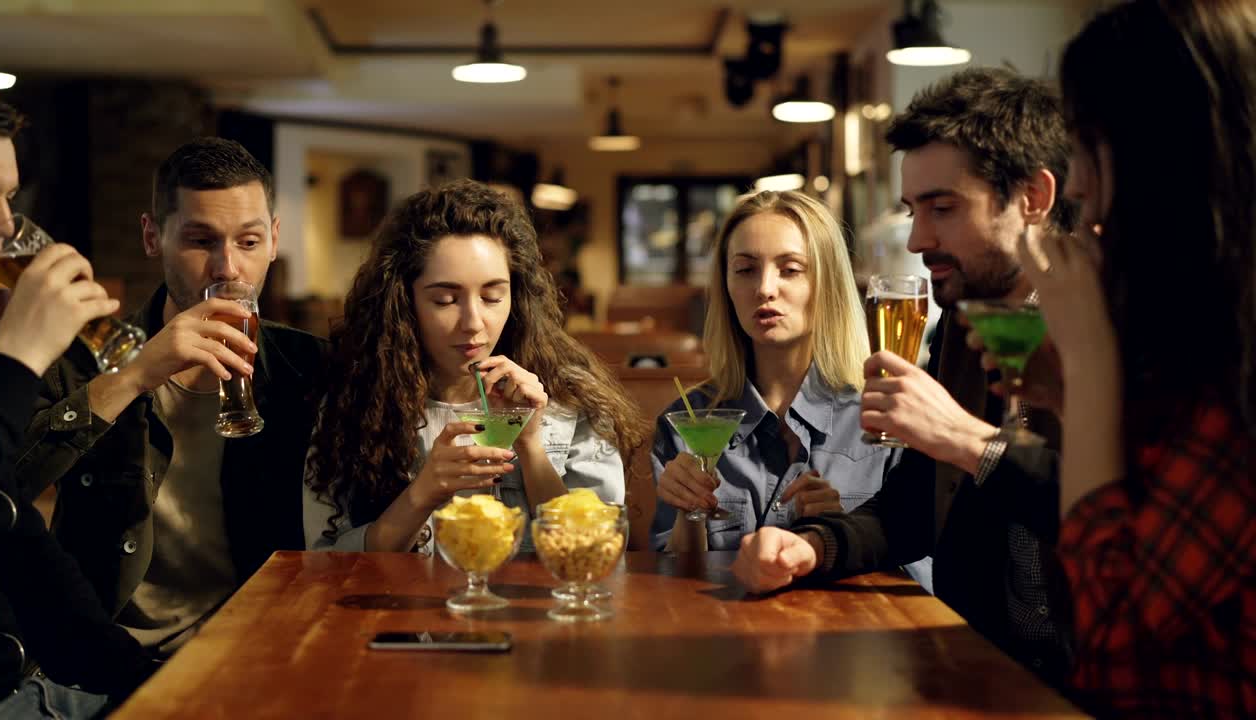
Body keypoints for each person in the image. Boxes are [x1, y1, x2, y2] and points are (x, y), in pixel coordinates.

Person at [729, 67, 1076, 684]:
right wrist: (814, 547)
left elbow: (1115, 513)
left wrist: (969, 442)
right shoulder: (964, 328)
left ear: (1033, 199)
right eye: (912, 209)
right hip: (983, 668)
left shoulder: (1112, 332)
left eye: (943, 208)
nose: (917, 239)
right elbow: (914, 507)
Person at [980, 1, 1256, 715]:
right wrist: (1078, 392)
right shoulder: (1192, 332)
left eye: (1087, 145)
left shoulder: (1235, 364)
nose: (1074, 184)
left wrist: (1090, 362)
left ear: (1165, 154)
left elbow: (1113, 641)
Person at [13, 137, 328, 659]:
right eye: (201, 241)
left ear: (274, 240)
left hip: (257, 650)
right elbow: (2, 485)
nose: (228, 268)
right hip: (105, 658)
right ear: (152, 236)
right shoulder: (79, 359)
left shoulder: (312, 369)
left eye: (248, 243)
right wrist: (133, 378)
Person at [304, 179, 641, 553]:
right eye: (446, 300)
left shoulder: (570, 401)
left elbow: (593, 555)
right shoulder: (353, 405)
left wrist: (531, 447)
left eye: (493, 296)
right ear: (403, 301)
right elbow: (325, 562)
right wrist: (422, 495)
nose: (474, 322)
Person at [0, 90, 154, 720]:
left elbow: (12, 531)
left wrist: (147, 680)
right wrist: (17, 356)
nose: (1, 223)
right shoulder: (3, 364)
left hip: (29, 689)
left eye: (7, 197)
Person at [649, 189, 931, 586]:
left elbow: (924, 577)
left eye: (791, 269)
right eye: (745, 269)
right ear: (725, 286)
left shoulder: (888, 418)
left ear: (827, 283)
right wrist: (688, 511)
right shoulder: (687, 422)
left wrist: (840, 536)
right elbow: (670, 579)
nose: (765, 288)